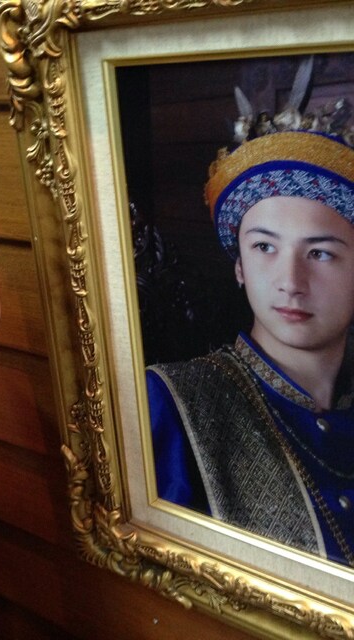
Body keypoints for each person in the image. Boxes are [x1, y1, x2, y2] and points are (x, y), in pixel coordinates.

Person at [147, 96, 354, 568]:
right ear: (239, 266)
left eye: (320, 253)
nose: (290, 282)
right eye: (264, 247)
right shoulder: (176, 404)